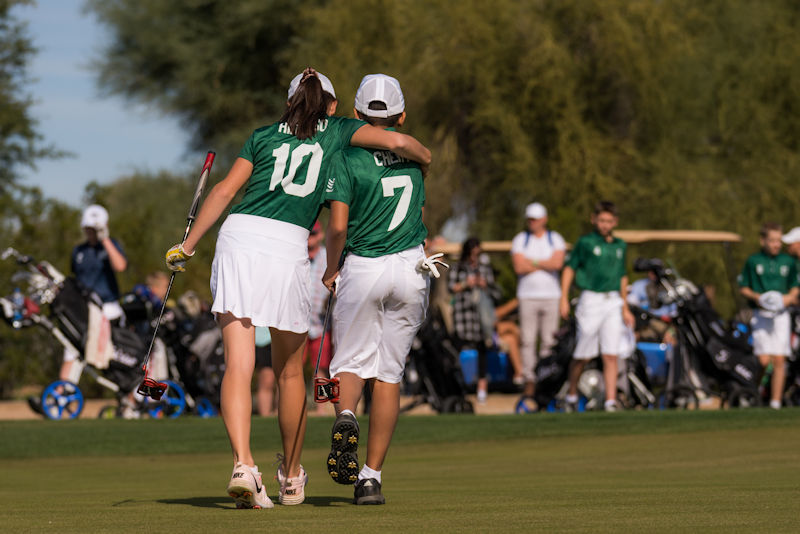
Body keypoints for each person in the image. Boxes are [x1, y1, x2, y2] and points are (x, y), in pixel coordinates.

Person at [164, 68, 431, 509]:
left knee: (240, 364)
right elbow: (399, 144)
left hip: (239, 239)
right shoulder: (341, 131)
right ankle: (290, 479)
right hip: (288, 245)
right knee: (291, 371)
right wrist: (427, 160)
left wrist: (186, 246)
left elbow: (227, 190)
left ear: (289, 103)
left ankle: (244, 466)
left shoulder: (262, 135)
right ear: (330, 105)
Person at [322, 73, 439, 505]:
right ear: (401, 115)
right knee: (389, 375)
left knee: (349, 364)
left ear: (356, 114)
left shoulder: (344, 158)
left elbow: (336, 227)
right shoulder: (415, 158)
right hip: (412, 266)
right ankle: (370, 479)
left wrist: (331, 269)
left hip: (364, 266)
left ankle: (347, 415)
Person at [560, 201, 634, 412]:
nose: (604, 225)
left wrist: (625, 307)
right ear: (594, 219)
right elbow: (569, 269)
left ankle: (610, 401)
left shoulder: (620, 245)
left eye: (609, 221)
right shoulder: (585, 243)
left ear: (615, 222)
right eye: (601, 220)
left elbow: (622, 276)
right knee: (583, 353)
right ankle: (572, 395)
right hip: (590, 300)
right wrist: (563, 298)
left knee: (611, 353)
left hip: (613, 301)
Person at [62, 205, 128, 382]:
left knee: (113, 353)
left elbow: (120, 266)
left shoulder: (110, 245)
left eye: (94, 228)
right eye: (89, 228)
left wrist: (105, 239)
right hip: (84, 309)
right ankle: (62, 392)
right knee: (71, 348)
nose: (90, 231)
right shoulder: (79, 251)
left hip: (108, 309)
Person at [510, 202, 566, 410]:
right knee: (527, 341)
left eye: (535, 219)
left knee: (549, 342)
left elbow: (558, 264)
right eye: (529, 219)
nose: (531, 223)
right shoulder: (520, 240)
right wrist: (544, 262)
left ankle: (546, 380)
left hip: (551, 296)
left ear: (544, 219)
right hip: (527, 296)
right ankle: (530, 382)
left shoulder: (555, 238)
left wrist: (531, 262)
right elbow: (518, 266)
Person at [738, 222, 799, 410]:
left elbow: (794, 287)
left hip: (780, 315)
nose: (776, 245)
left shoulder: (788, 262)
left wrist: (788, 298)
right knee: (763, 360)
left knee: (780, 359)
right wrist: (758, 297)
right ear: (763, 240)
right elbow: (744, 288)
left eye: (778, 241)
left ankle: (775, 402)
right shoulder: (753, 260)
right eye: (771, 241)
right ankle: (753, 393)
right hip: (761, 314)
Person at [448, 237, 502, 404]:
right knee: (456, 348)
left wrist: (483, 284)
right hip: (463, 316)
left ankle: (482, 389)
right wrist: (466, 283)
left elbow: (495, 292)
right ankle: (457, 386)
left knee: (482, 350)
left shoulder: (484, 268)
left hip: (481, 316)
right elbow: (451, 288)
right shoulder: (457, 268)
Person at [303, 221, 333, 415]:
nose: (310, 238)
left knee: (322, 368)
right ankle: (291, 408)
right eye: (308, 233)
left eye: (313, 234)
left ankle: (323, 410)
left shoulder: (328, 256)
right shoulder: (297, 255)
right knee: (290, 368)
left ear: (320, 235)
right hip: (297, 321)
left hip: (323, 323)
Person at [254, 326, 276, 416]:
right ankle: (265, 415)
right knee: (267, 380)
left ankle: (280, 413)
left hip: (278, 336)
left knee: (283, 378)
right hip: (259, 339)